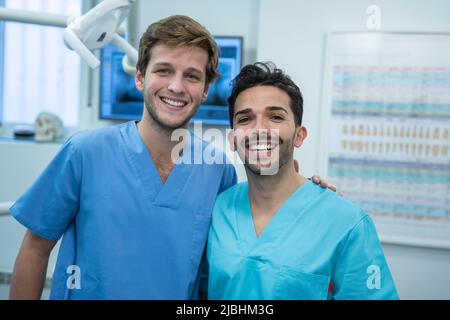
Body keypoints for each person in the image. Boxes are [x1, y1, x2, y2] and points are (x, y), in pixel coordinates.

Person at [9, 15, 331, 300]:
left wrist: (303, 193)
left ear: (205, 89)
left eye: (192, 76)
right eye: (164, 70)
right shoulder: (85, 153)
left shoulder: (217, 169)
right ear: (140, 77)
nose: (177, 86)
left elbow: (226, 256)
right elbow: (35, 250)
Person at [206, 62, 399, 300]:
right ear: (233, 139)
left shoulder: (347, 223)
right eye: (245, 119)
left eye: (275, 117)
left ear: (299, 136)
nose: (259, 130)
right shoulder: (218, 210)